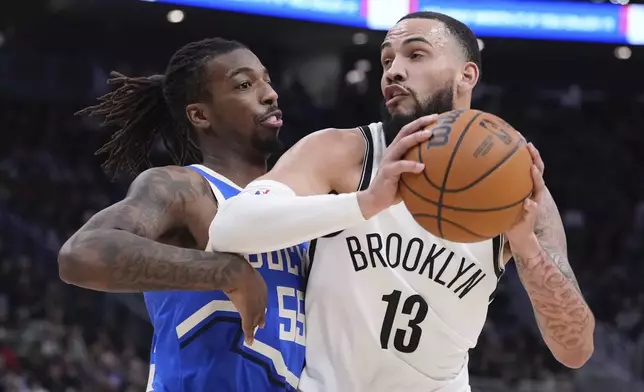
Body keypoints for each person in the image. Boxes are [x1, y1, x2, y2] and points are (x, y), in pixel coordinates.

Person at [208, 12, 595, 392]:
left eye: (416, 54)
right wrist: (366, 202)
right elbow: (229, 227)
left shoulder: (516, 187)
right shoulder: (345, 153)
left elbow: (575, 350)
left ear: (467, 75)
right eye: (387, 59)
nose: (393, 71)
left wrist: (527, 249)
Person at [57, 38, 307, 392]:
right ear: (200, 115)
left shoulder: (301, 202)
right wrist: (226, 271)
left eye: (266, 79)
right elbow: (80, 254)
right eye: (244, 85)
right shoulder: (186, 188)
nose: (269, 94)